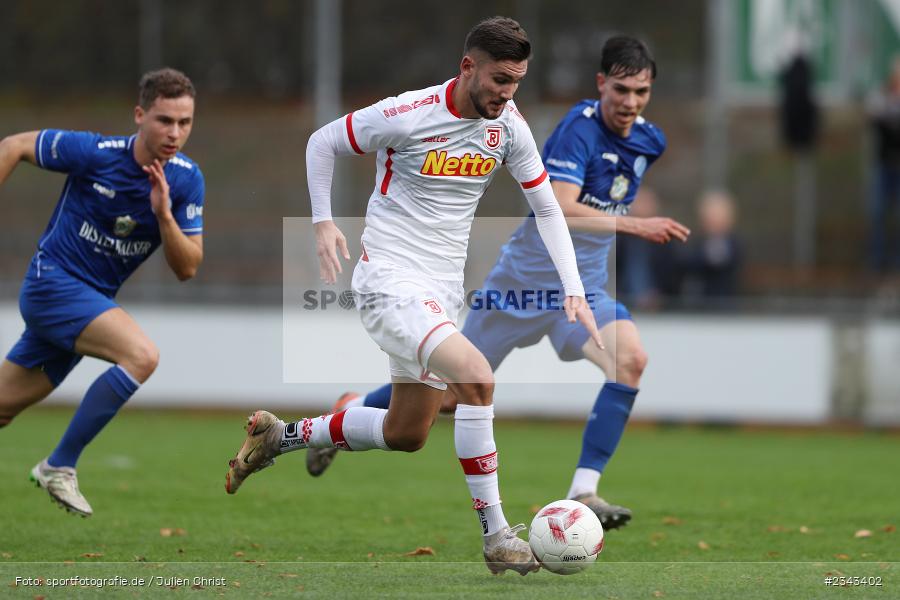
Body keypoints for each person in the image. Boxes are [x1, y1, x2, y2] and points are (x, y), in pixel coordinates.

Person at [224, 17, 601, 575]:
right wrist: (323, 222)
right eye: (499, 79)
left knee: (405, 433)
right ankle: (498, 536)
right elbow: (323, 141)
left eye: (517, 81)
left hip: (441, 291)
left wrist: (574, 287)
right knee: (477, 377)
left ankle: (281, 437)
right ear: (467, 66)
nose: (506, 92)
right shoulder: (409, 112)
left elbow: (547, 207)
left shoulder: (511, 128)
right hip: (389, 281)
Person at [307, 36, 690, 532]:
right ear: (601, 84)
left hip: (581, 290)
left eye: (642, 91)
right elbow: (561, 208)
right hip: (520, 287)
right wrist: (636, 224)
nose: (631, 102)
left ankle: (584, 490)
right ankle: (352, 410)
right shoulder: (577, 130)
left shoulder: (648, 140)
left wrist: (582, 280)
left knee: (631, 361)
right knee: (446, 396)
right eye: (622, 89)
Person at [0, 68, 204, 517]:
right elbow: (13, 146)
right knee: (142, 356)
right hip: (51, 284)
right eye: (164, 120)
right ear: (139, 115)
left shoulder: (187, 181)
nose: (175, 133)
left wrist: (164, 216)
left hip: (89, 303)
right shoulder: (94, 153)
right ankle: (60, 465)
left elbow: (187, 267)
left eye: (184, 123)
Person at [866, 56, 900, 273]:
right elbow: (874, 118)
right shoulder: (882, 96)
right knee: (877, 213)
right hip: (884, 164)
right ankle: (877, 258)